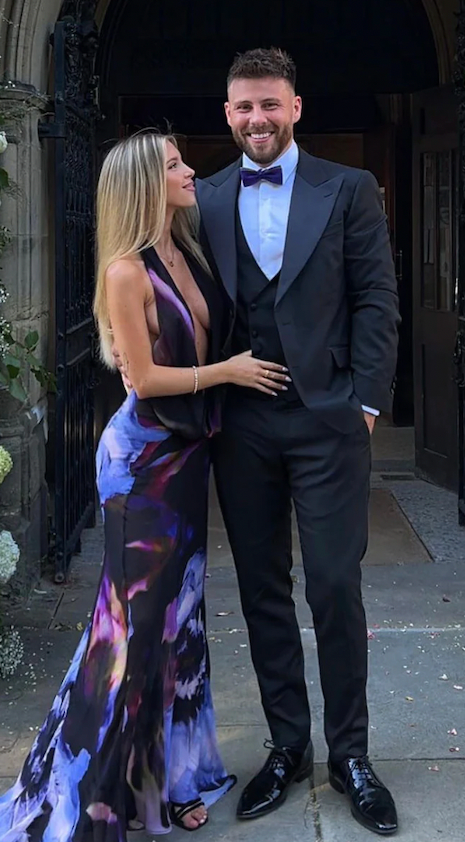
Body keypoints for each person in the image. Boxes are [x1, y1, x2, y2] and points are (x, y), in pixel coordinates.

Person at [0, 132, 289, 841]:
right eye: (174, 165)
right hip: (142, 466)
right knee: (132, 632)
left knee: (179, 622)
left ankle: (170, 780)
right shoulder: (126, 272)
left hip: (188, 456)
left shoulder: (187, 250)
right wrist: (229, 373)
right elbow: (144, 377)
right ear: (143, 185)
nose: (189, 171)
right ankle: (98, 796)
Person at [195, 48, 401, 836]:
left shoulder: (347, 189)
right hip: (242, 424)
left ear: (295, 108)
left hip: (328, 419)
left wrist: (365, 405)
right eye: (245, 107)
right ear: (228, 115)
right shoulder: (205, 197)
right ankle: (287, 747)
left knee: (335, 585)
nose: (258, 119)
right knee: (261, 589)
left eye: (270, 104)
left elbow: (376, 298)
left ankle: (352, 755)